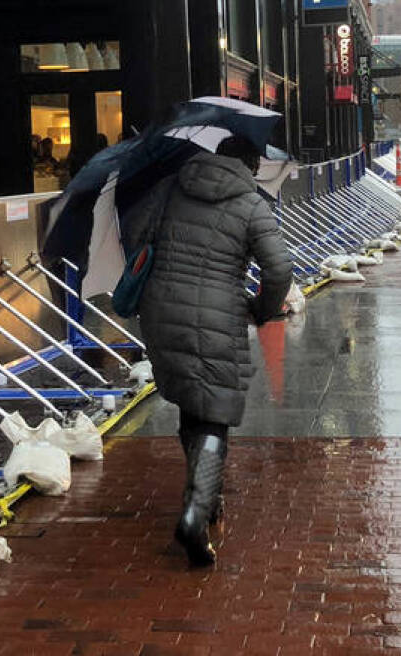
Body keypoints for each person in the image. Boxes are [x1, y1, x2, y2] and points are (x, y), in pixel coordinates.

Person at [136, 136, 293, 567]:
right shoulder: (251, 203)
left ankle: (208, 494)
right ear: (251, 166)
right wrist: (262, 310)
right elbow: (279, 269)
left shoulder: (172, 186)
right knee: (215, 413)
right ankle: (194, 513)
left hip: (161, 309)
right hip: (216, 314)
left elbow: (139, 233)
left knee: (193, 398)